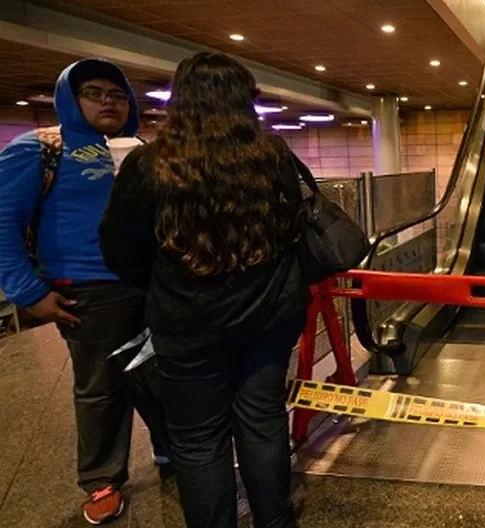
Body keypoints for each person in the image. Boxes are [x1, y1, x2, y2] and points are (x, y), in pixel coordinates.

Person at [99, 52, 311, 528]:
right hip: (267, 317)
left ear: (182, 100)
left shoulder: (149, 164)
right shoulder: (272, 156)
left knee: (197, 439)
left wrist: (166, 287)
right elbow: (293, 229)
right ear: (243, 100)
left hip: (186, 325)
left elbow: (119, 249)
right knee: (262, 420)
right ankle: (275, 521)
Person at [0, 58, 171, 525]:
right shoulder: (38, 149)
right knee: (101, 389)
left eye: (117, 94)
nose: (108, 101)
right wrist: (29, 293)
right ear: (69, 99)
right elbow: (2, 223)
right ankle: (101, 477)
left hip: (152, 285)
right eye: (94, 93)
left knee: (160, 374)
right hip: (89, 290)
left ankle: (169, 450)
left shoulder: (139, 149)